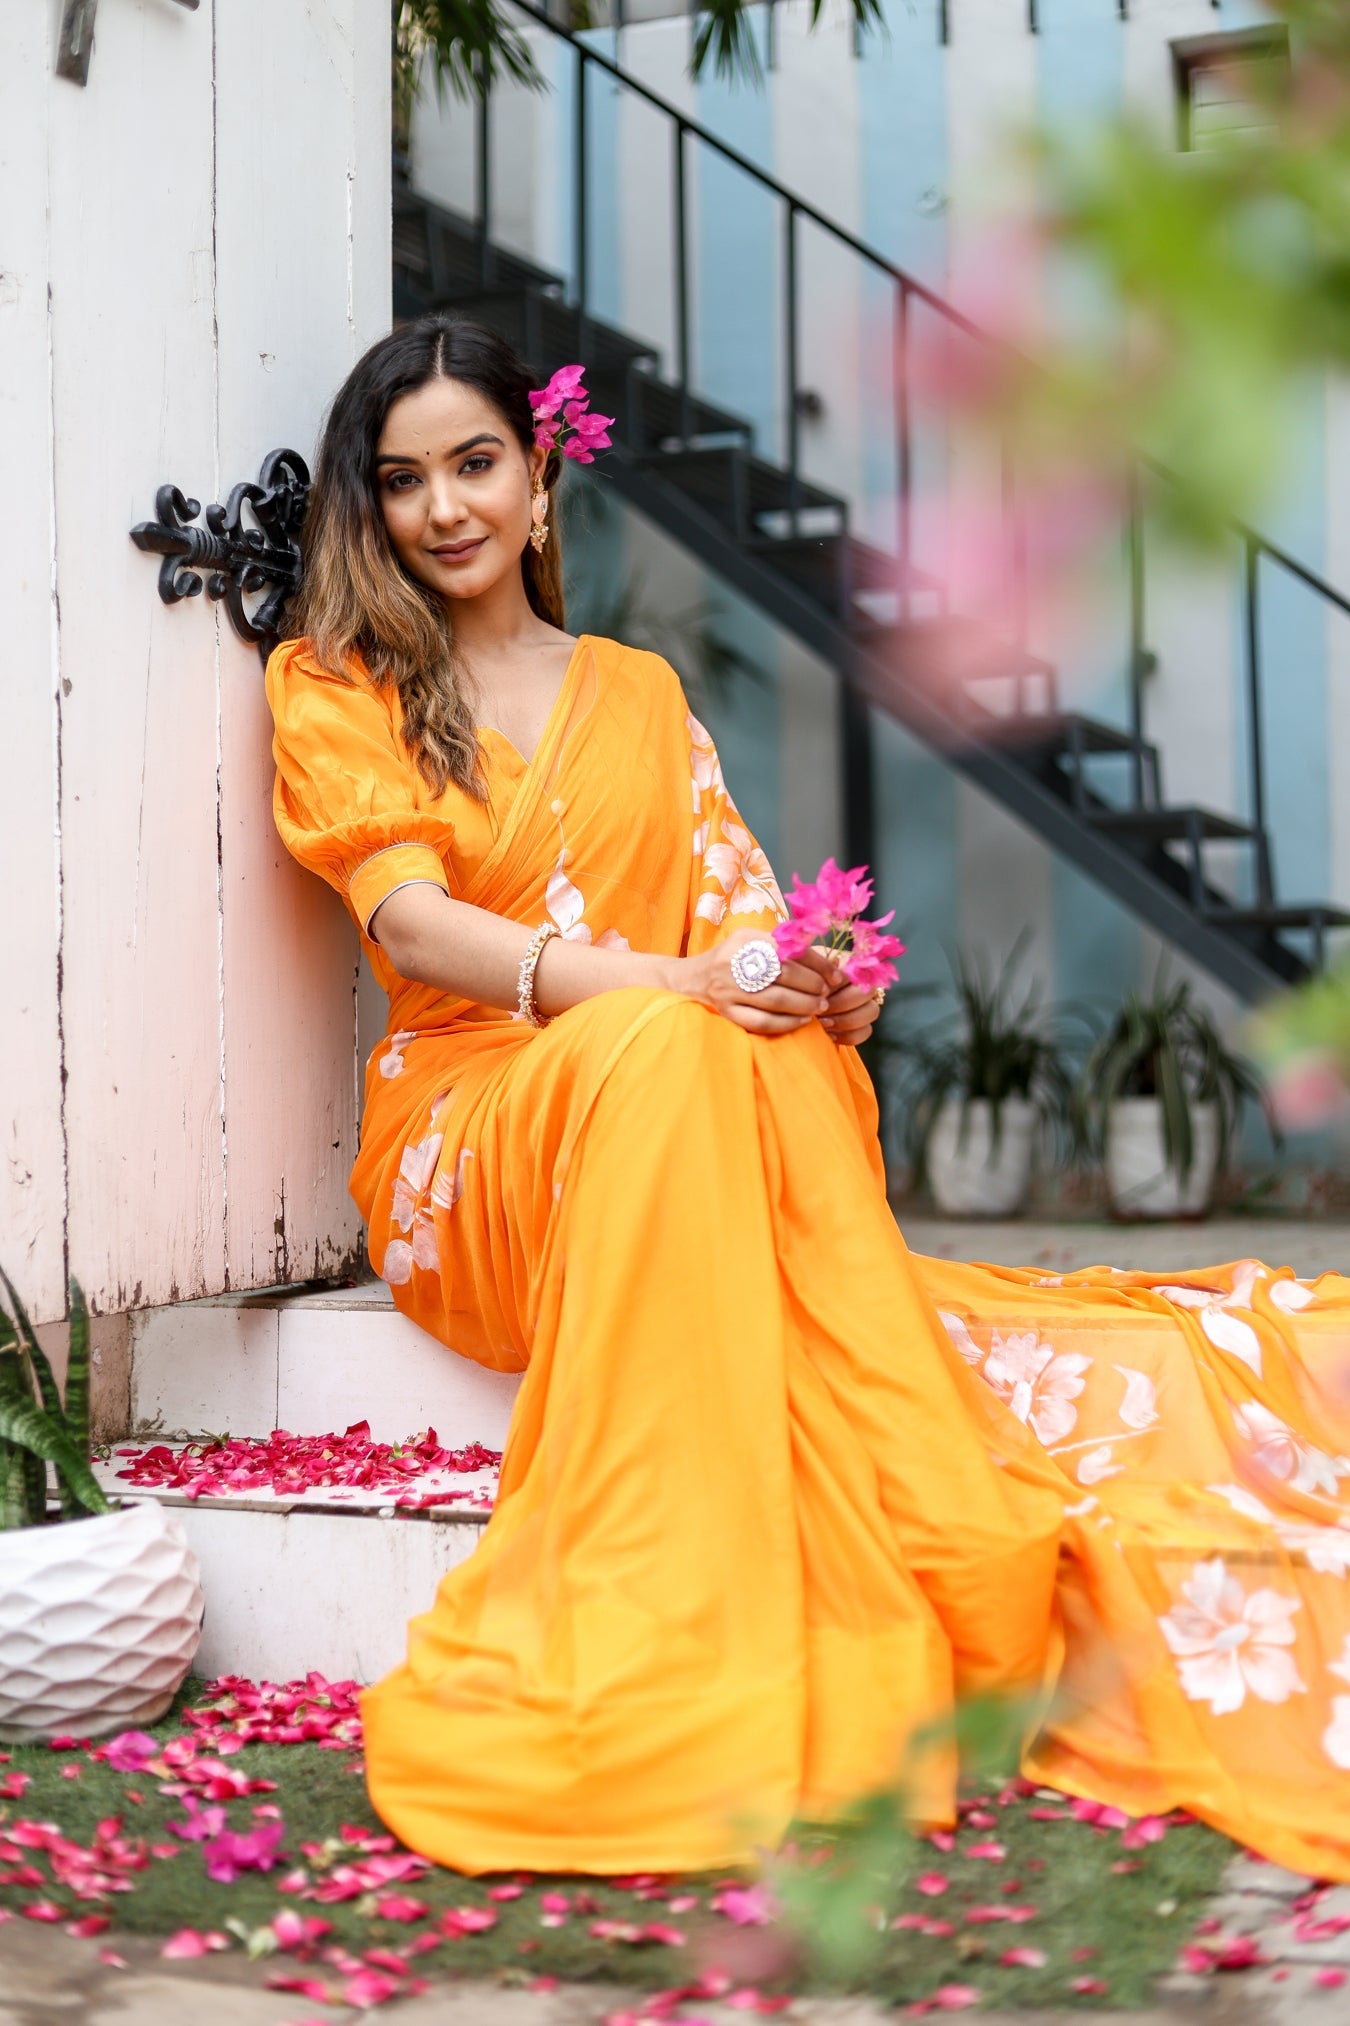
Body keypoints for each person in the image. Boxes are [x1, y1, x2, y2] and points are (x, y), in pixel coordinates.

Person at [267, 315, 1350, 1882]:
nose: (445, 508)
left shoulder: (636, 691)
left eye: (475, 463)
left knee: (727, 1041)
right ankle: (657, 1630)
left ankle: (918, 1509)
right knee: (667, 1043)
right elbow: (413, 928)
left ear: (540, 476)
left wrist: (807, 984)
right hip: (475, 1141)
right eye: (404, 478)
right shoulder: (340, 680)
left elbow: (737, 925)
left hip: (670, 1088)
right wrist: (677, 990)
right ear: (372, 507)